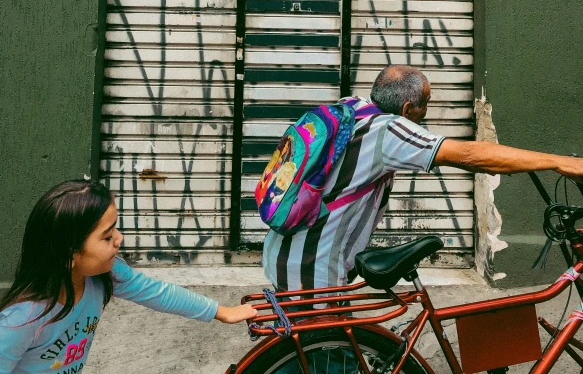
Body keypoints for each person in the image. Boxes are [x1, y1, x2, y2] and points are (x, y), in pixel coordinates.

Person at [263, 65, 583, 295]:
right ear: (407, 109)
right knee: (326, 358)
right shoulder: (389, 131)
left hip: (284, 258)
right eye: (426, 104)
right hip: (313, 273)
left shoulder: (352, 109)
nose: (427, 111)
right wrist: (560, 163)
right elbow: (472, 155)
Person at [0, 180, 257, 373]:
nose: (120, 239)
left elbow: (157, 293)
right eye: (107, 236)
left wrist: (220, 311)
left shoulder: (103, 276)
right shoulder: (21, 320)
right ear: (69, 256)